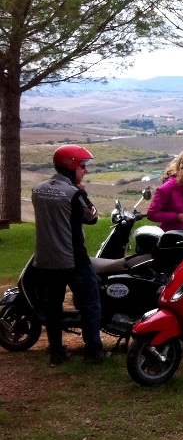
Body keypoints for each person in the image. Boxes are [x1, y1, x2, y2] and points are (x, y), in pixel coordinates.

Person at [31, 145, 107, 365]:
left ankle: (56, 351)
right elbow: (91, 217)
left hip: (45, 259)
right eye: (83, 166)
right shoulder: (74, 193)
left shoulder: (37, 189)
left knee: (53, 307)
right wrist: (82, 191)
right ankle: (93, 351)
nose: (86, 171)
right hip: (73, 258)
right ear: (71, 166)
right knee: (90, 303)